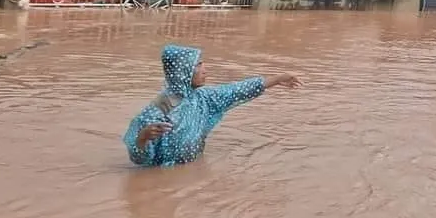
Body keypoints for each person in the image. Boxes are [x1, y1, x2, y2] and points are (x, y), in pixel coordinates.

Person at [123, 44, 302, 167]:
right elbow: (139, 160)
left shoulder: (202, 98)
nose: (205, 70)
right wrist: (142, 138)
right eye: (198, 65)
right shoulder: (157, 111)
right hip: (162, 179)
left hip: (191, 171)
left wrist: (277, 79)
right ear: (182, 71)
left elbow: (236, 90)